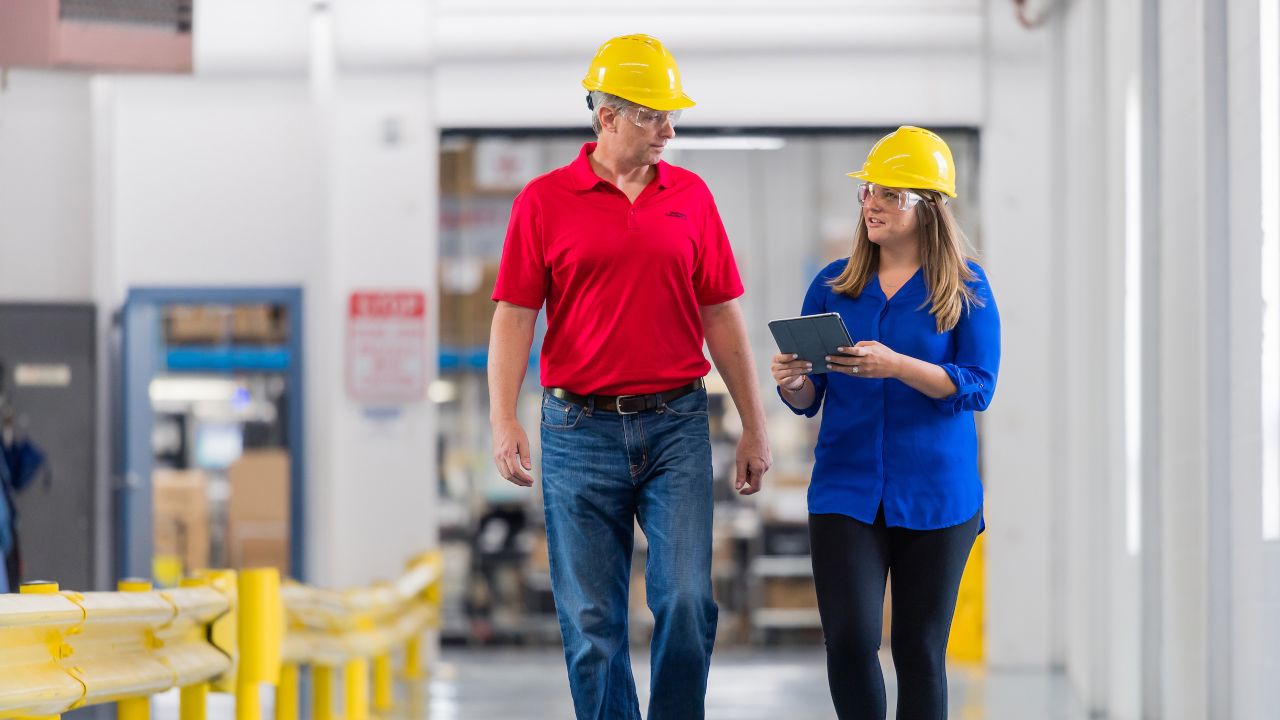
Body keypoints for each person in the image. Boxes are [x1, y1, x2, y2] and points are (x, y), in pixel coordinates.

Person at [487, 33, 771, 720]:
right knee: (590, 623)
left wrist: (755, 426)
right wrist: (502, 417)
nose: (668, 130)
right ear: (607, 115)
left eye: (671, 116)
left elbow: (723, 318)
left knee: (685, 601)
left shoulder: (692, 198)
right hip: (577, 430)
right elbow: (514, 317)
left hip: (676, 423)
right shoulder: (544, 201)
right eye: (652, 115)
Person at [770, 126, 1000, 720]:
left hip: (937, 496)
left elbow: (978, 385)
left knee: (919, 651)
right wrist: (792, 380)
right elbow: (809, 394)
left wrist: (897, 366)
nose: (872, 202)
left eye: (890, 194)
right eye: (868, 191)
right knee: (849, 644)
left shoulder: (967, 290)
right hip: (846, 491)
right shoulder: (831, 286)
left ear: (929, 208)